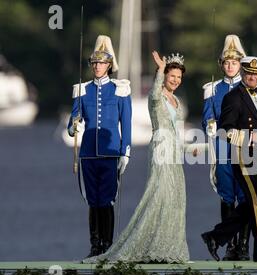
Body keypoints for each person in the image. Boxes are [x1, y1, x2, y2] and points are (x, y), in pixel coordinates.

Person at [83, 50, 196, 263]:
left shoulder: (177, 101)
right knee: (158, 193)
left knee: (175, 198)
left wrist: (190, 149)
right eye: (172, 76)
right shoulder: (157, 97)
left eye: (179, 77)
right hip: (160, 149)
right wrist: (161, 71)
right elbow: (153, 94)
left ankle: (169, 248)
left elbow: (177, 133)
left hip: (174, 153)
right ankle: (144, 245)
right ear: (163, 76)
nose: (175, 80)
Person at [201, 56, 257, 263]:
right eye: (249, 73)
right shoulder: (233, 97)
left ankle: (216, 237)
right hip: (244, 155)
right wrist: (249, 137)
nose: (253, 77)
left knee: (254, 203)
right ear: (243, 74)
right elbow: (224, 131)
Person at [68, 35, 132, 258]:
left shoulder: (120, 89)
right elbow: (72, 121)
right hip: (88, 153)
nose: (97, 66)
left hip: (111, 152)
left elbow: (127, 122)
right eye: (94, 63)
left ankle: (108, 245)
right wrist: (73, 126)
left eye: (102, 62)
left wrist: (125, 151)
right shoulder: (82, 90)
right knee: (92, 201)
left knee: (107, 200)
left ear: (109, 65)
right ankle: (95, 245)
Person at [201, 35, 250, 261]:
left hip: (246, 148)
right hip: (222, 148)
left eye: (235, 62)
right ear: (221, 65)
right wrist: (210, 123)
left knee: (247, 197)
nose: (230, 66)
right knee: (227, 197)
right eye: (227, 62)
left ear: (241, 64)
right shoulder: (212, 89)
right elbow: (207, 116)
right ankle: (230, 245)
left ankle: (243, 245)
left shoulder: (250, 86)